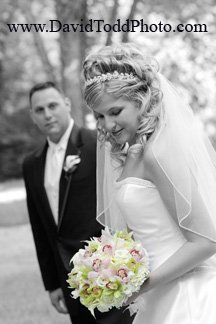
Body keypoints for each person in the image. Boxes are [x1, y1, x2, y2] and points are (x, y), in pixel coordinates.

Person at [82, 43, 216, 324]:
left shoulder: (160, 154)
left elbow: (206, 241)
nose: (108, 124)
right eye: (100, 116)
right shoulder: (132, 152)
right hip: (158, 298)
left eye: (115, 111)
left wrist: (140, 285)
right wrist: (110, 268)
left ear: (141, 100)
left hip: (186, 295)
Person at [22, 81, 133, 324]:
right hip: (70, 279)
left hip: (109, 272)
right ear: (33, 116)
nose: (47, 114)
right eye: (39, 110)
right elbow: (40, 228)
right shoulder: (31, 164)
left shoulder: (98, 144)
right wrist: (52, 283)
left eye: (52, 105)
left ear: (67, 104)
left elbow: (125, 205)